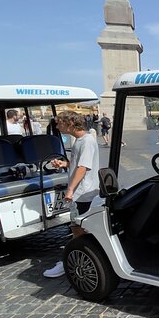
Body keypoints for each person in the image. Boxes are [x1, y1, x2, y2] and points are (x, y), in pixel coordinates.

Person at [43, 111, 100, 278]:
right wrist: (64, 163)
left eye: (59, 123)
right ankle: (77, 258)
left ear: (69, 124)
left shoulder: (87, 141)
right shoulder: (81, 141)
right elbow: (77, 164)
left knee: (78, 228)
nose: (57, 127)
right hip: (81, 191)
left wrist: (70, 190)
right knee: (77, 227)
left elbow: (83, 168)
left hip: (83, 192)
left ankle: (73, 259)